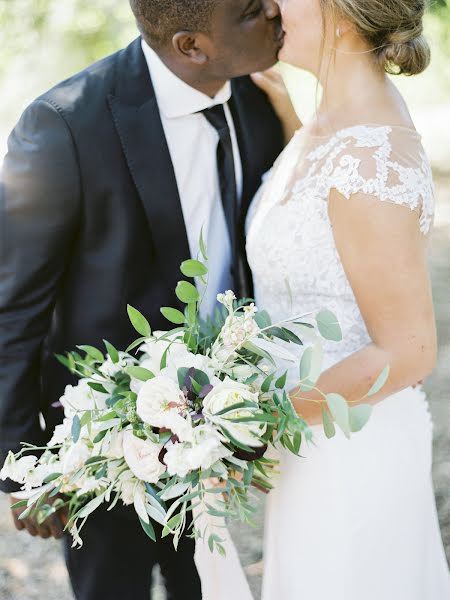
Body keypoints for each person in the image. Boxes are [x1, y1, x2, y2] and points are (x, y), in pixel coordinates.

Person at [0, 1, 293, 598]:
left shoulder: (260, 99)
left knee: (208, 585)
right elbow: (13, 304)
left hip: (221, 422)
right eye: (249, 11)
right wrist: (23, 465)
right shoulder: (64, 122)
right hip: (105, 439)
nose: (273, 10)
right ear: (191, 46)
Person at [247, 0, 450, 597]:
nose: (268, 5)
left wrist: (259, 422)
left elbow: (410, 352)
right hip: (315, 440)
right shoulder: (331, 121)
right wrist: (287, 119)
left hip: (352, 448)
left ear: (337, 11)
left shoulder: (369, 157)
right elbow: (322, 233)